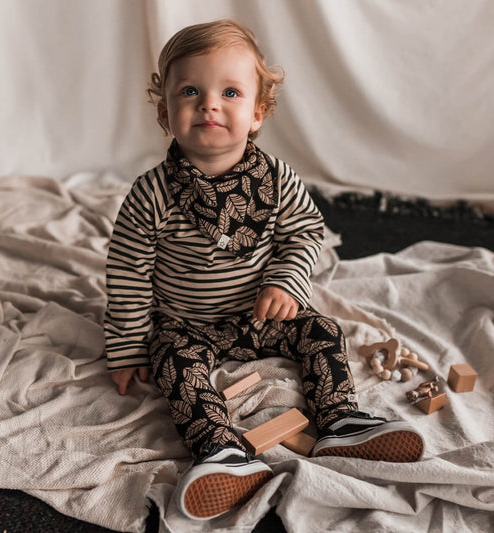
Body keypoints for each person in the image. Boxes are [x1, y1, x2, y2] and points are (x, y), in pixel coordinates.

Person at [104, 19, 424, 521]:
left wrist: (286, 280)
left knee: (323, 330)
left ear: (257, 113)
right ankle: (220, 451)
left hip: (261, 314)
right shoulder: (152, 193)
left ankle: (340, 420)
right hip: (186, 323)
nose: (209, 104)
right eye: (190, 91)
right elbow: (127, 272)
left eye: (229, 92)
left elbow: (306, 232)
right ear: (165, 112)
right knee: (173, 362)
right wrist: (126, 345)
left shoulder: (277, 179)